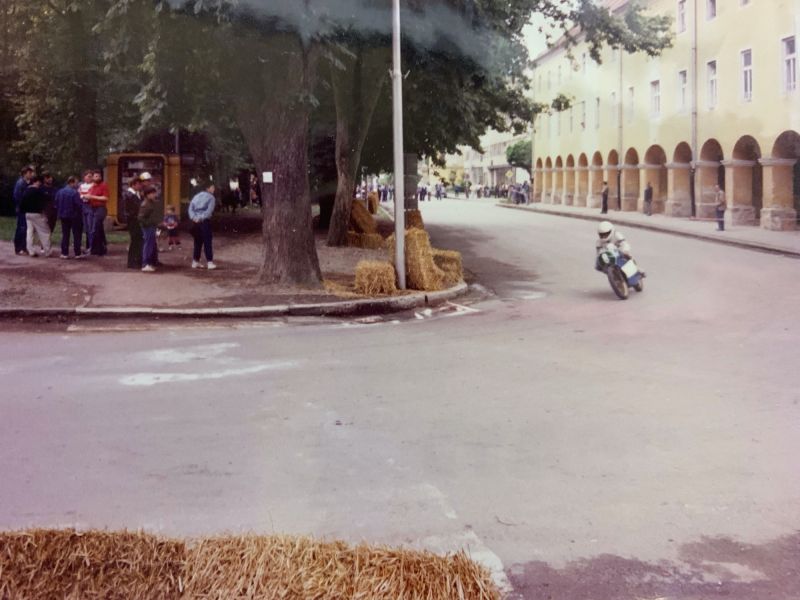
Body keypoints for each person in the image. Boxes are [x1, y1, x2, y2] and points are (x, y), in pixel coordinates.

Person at [21, 176, 52, 257]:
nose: (40, 183)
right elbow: (47, 198)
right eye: (39, 182)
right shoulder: (38, 191)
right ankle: (47, 251)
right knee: (45, 232)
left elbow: (22, 203)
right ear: (36, 182)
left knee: (30, 232)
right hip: (37, 213)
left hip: (27, 214)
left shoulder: (26, 190)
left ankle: (31, 251)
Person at [189, 181, 217, 270]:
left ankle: (195, 261)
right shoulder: (211, 198)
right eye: (212, 187)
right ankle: (209, 262)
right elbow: (209, 211)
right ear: (208, 188)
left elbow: (190, 208)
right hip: (205, 222)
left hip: (195, 222)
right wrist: (201, 218)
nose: (214, 189)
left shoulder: (196, 196)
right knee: (207, 242)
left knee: (197, 242)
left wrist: (194, 218)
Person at [55, 176, 83, 259]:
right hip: (74, 216)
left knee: (65, 234)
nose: (77, 184)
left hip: (63, 215)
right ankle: (77, 253)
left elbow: (56, 203)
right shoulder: (74, 193)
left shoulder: (60, 192)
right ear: (72, 182)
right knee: (77, 234)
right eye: (76, 183)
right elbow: (78, 205)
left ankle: (64, 253)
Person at [85, 169, 109, 256]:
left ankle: (98, 249)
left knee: (95, 227)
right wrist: (86, 197)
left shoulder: (103, 186)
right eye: (95, 176)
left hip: (100, 208)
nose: (97, 178)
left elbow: (105, 198)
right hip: (92, 208)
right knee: (96, 228)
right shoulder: (92, 187)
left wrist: (92, 197)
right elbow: (89, 196)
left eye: (98, 176)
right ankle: (99, 248)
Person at [123, 175, 144, 269]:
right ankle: (132, 261)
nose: (140, 186)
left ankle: (138, 259)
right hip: (133, 220)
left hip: (137, 219)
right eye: (139, 184)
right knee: (135, 240)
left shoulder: (137, 194)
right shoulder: (129, 195)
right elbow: (129, 209)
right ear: (133, 184)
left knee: (138, 239)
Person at [12, 165, 34, 255]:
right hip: (22, 209)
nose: (31, 174)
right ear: (25, 174)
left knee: (25, 228)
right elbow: (17, 197)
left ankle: (23, 247)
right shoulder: (20, 183)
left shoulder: (28, 183)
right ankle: (19, 248)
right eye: (29, 173)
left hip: (26, 209)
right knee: (21, 228)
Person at [138, 186, 160, 272]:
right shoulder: (146, 204)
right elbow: (141, 217)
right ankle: (145, 263)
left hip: (151, 226)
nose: (154, 195)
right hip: (148, 227)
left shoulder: (151, 203)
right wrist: (148, 224)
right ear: (148, 194)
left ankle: (148, 263)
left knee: (151, 244)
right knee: (148, 245)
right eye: (152, 193)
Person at [78, 170, 94, 254]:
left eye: (91, 176)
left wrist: (84, 196)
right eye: (88, 176)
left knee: (90, 227)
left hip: (90, 206)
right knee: (86, 228)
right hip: (83, 206)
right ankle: (88, 246)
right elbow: (79, 194)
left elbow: (89, 196)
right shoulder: (81, 185)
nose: (89, 178)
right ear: (84, 177)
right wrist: (84, 196)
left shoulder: (93, 185)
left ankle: (91, 246)